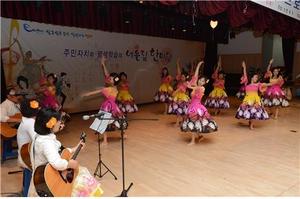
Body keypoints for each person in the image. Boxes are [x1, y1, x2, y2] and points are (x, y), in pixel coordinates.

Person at [28, 108, 103, 197]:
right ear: (51, 124)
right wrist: (70, 164)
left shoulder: (40, 137)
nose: (61, 123)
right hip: (51, 182)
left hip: (42, 179)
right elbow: (57, 163)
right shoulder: (47, 143)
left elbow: (57, 152)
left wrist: (74, 149)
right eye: (59, 121)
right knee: (85, 179)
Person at [82, 57, 128, 145]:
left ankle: (119, 135)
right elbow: (107, 75)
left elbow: (99, 91)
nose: (108, 79)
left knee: (111, 121)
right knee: (108, 121)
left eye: (110, 79)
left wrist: (88, 94)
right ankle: (107, 140)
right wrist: (103, 64)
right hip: (110, 106)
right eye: (109, 78)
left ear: (114, 82)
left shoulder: (111, 89)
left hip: (109, 107)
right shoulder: (112, 86)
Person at [181, 61, 218, 145]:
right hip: (191, 106)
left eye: (203, 81)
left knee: (194, 122)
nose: (200, 82)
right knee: (194, 122)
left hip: (197, 107)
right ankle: (200, 136)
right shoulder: (195, 86)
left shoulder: (201, 88)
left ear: (204, 83)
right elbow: (195, 76)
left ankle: (193, 141)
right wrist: (198, 66)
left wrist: (190, 86)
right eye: (200, 80)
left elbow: (193, 87)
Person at [236, 61, 270, 129]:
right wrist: (244, 67)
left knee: (254, 110)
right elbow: (245, 75)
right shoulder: (247, 83)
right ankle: (250, 121)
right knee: (248, 110)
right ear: (251, 78)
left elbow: (267, 84)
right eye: (255, 77)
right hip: (248, 99)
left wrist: (275, 82)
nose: (256, 78)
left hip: (255, 99)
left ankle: (251, 124)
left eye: (257, 78)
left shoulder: (258, 84)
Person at [168, 58, 190, 126]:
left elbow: (182, 89)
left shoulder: (186, 83)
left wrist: (174, 92)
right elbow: (179, 72)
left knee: (182, 110)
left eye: (183, 77)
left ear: (186, 78)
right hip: (177, 96)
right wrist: (177, 64)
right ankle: (178, 122)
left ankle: (182, 121)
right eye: (181, 77)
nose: (182, 77)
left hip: (183, 97)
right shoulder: (180, 81)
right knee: (178, 109)